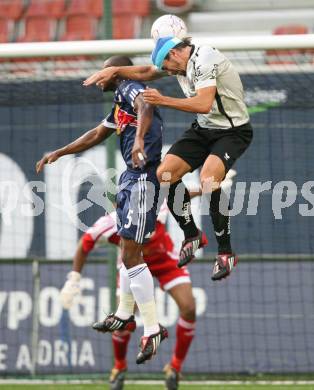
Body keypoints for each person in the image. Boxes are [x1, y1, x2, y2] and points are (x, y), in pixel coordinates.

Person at [83, 37, 253, 281]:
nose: (167, 72)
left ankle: (226, 252)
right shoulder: (176, 63)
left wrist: (163, 100)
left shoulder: (204, 58)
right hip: (203, 130)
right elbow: (144, 71)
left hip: (232, 131)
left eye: (167, 66)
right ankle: (192, 235)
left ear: (174, 54)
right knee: (164, 174)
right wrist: (115, 70)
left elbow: (204, 104)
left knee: (208, 180)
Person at [36, 56, 168, 364]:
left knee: (133, 254)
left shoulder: (128, 87)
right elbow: (97, 133)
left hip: (143, 177)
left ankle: (152, 326)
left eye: (103, 72)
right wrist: (61, 151)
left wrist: (137, 140)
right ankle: (124, 313)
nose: (99, 79)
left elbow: (146, 105)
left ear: (115, 72)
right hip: (131, 177)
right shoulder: (119, 106)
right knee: (127, 250)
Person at [60, 200, 203, 390]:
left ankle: (175, 367)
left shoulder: (152, 204)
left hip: (164, 260)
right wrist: (74, 280)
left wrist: (207, 187)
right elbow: (84, 245)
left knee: (189, 308)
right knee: (123, 320)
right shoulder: (108, 224)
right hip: (131, 267)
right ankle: (119, 367)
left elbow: (179, 192)